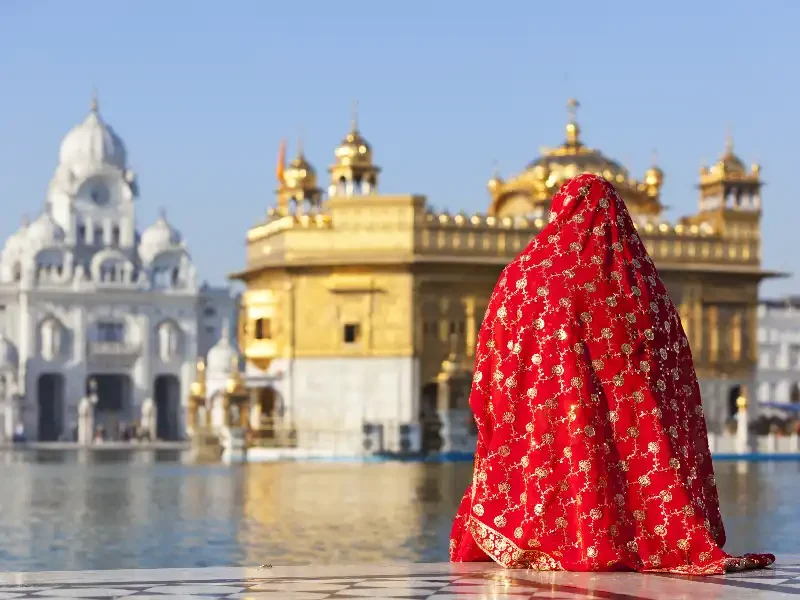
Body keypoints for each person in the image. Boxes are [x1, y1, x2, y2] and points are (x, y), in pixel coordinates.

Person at [449, 174, 774, 575]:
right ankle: (614, 536)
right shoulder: (638, 283)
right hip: (621, 421)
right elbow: (667, 370)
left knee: (555, 457)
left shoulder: (526, 274)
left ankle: (536, 539)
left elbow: (493, 352)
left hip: (543, 414)